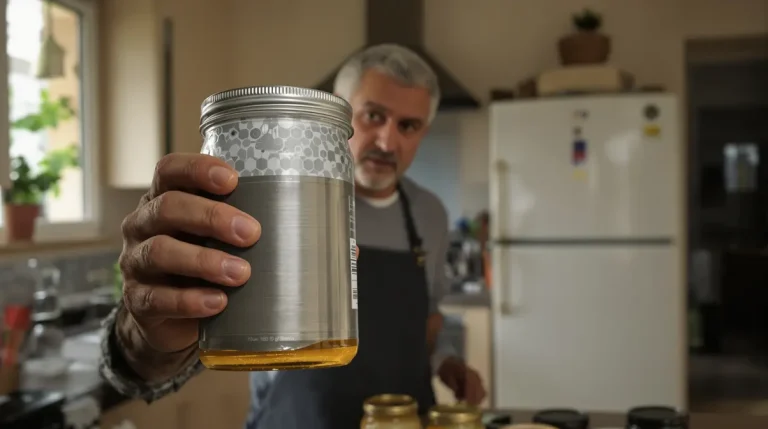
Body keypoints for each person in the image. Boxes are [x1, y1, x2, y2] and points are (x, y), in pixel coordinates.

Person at [99, 43, 486, 428]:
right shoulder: (266, 200)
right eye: (373, 116)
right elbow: (167, 354)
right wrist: (143, 336)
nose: (387, 142)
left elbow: (429, 318)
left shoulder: (429, 213)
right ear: (340, 113)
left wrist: (447, 361)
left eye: (408, 126)